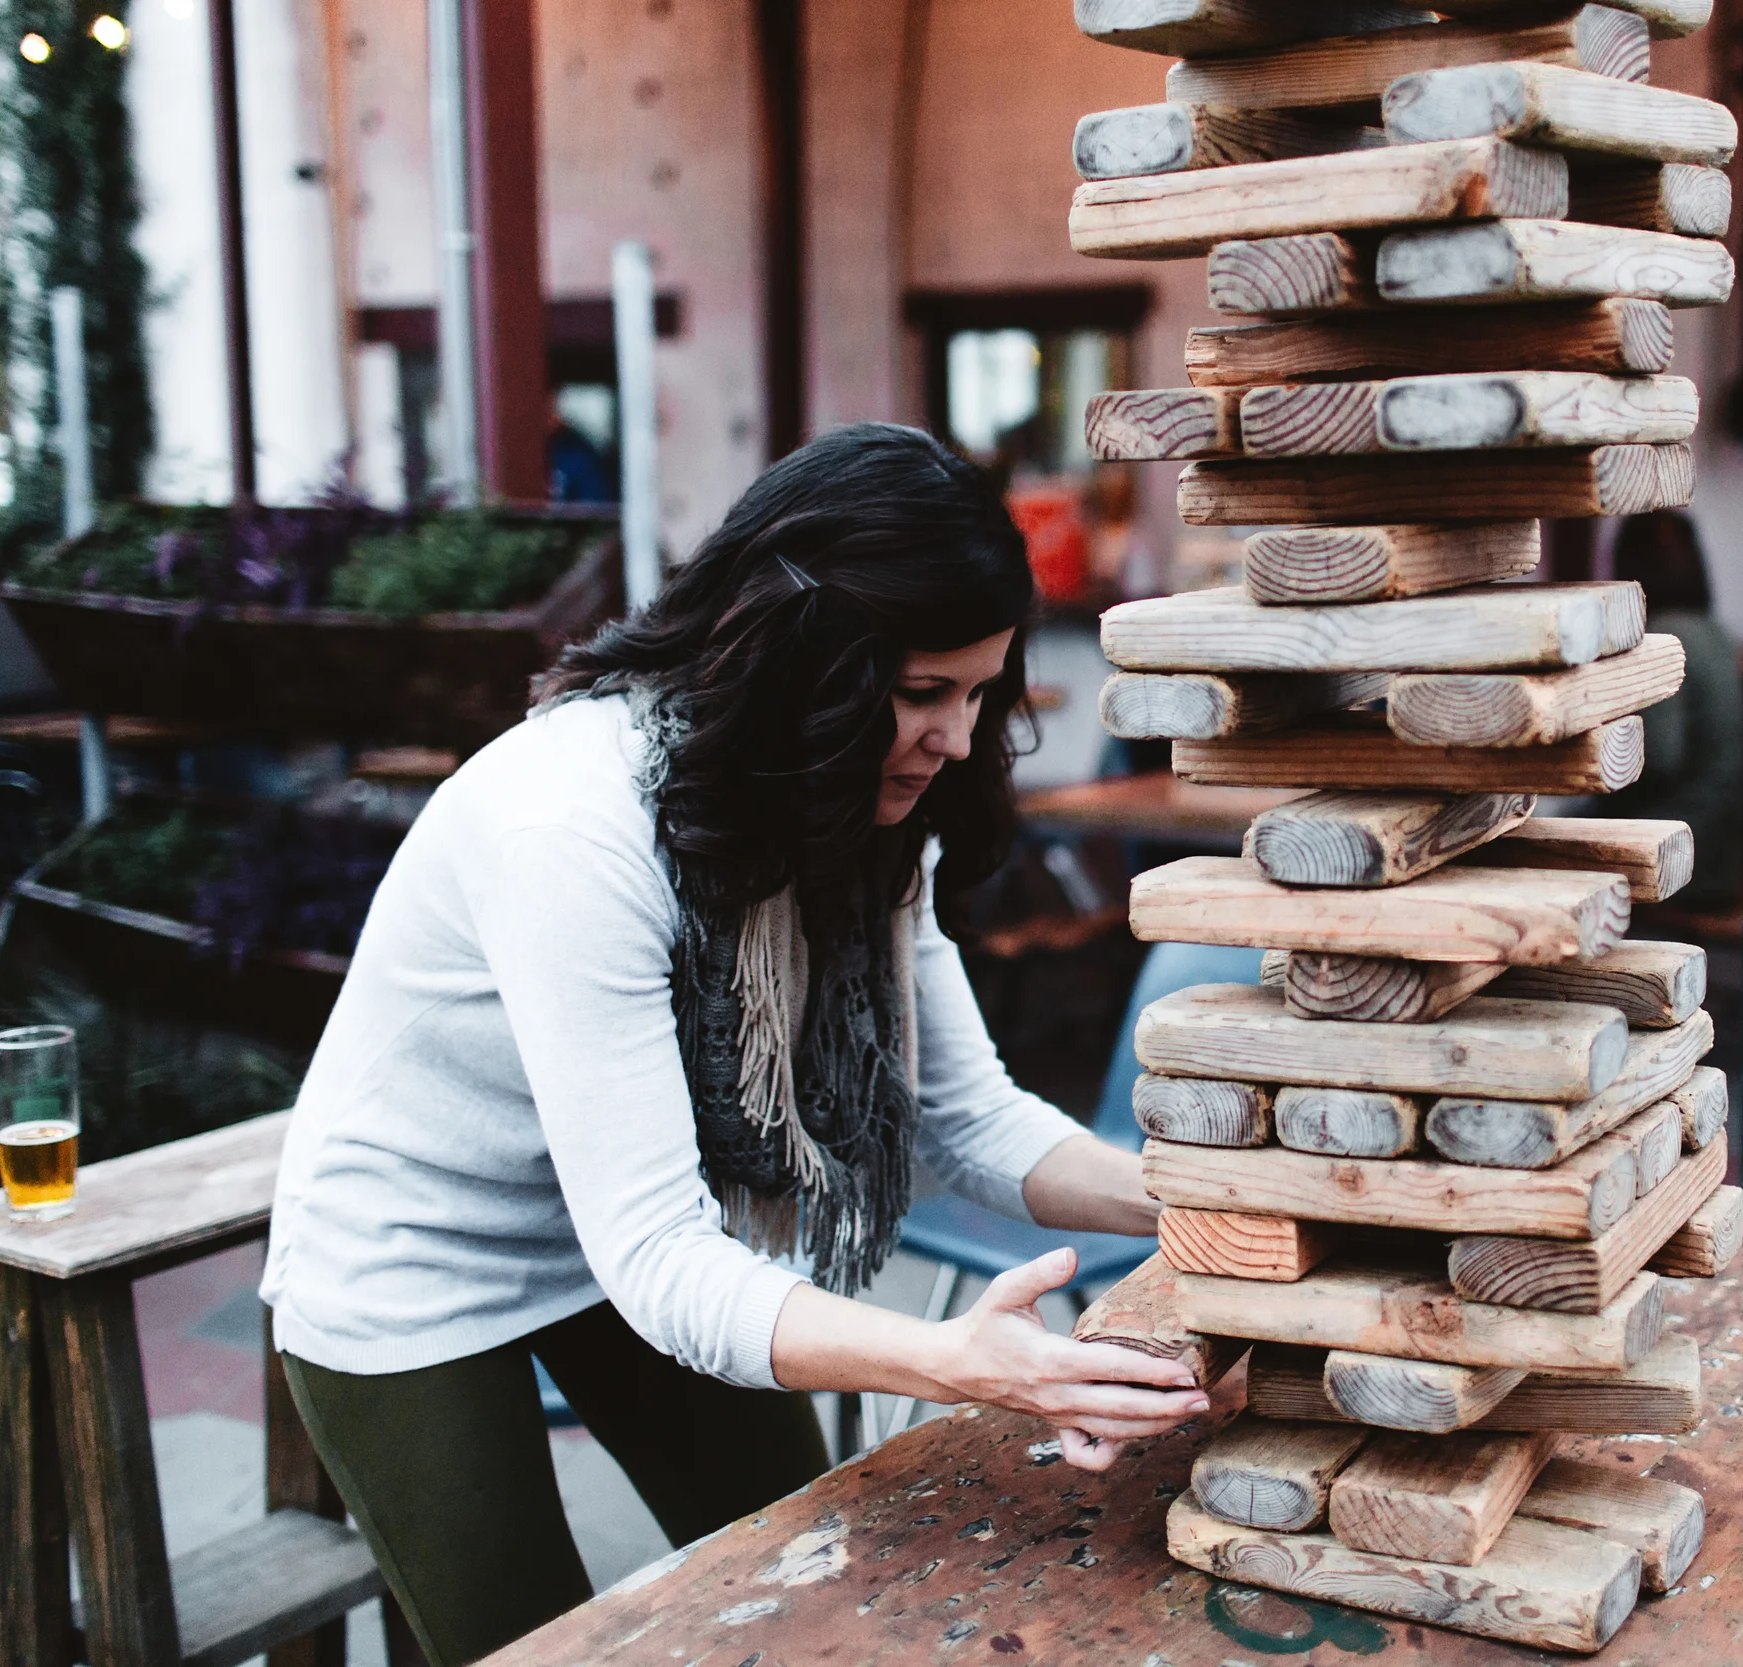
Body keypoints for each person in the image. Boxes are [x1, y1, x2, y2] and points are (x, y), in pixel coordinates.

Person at [260, 425, 1206, 1666]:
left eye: (978, 691)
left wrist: (1215, 1203)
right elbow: (658, 1253)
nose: (960, 738)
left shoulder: (861, 809)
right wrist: (959, 1362)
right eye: (923, 692)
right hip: (416, 1260)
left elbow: (965, 1117)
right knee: (542, 1644)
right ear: (801, 661)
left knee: (817, 1580)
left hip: (627, 1237)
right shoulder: (573, 823)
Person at [1600, 511, 1743, 907]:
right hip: (1722, 853)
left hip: (1677, 854)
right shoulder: (1717, 633)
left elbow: (1659, 760)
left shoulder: (1662, 637)